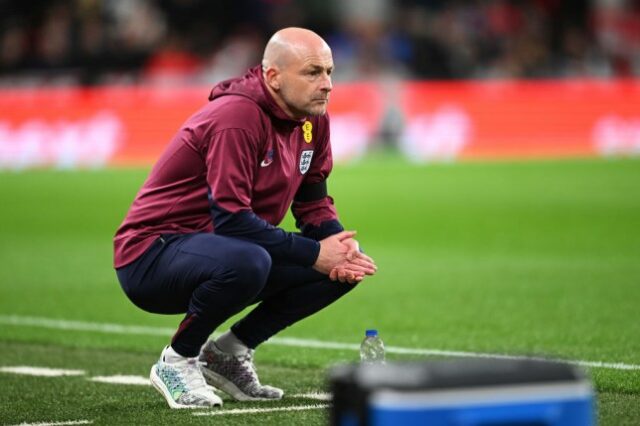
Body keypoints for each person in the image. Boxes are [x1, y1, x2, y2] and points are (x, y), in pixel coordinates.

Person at [113, 27, 377, 409]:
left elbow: (313, 201)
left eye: (330, 72)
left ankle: (228, 353)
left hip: (224, 249)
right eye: (312, 72)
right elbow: (232, 219)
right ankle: (177, 360)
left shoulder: (312, 121)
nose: (327, 84)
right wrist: (313, 252)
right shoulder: (236, 117)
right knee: (252, 260)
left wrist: (338, 243)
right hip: (152, 254)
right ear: (273, 77)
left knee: (343, 263)